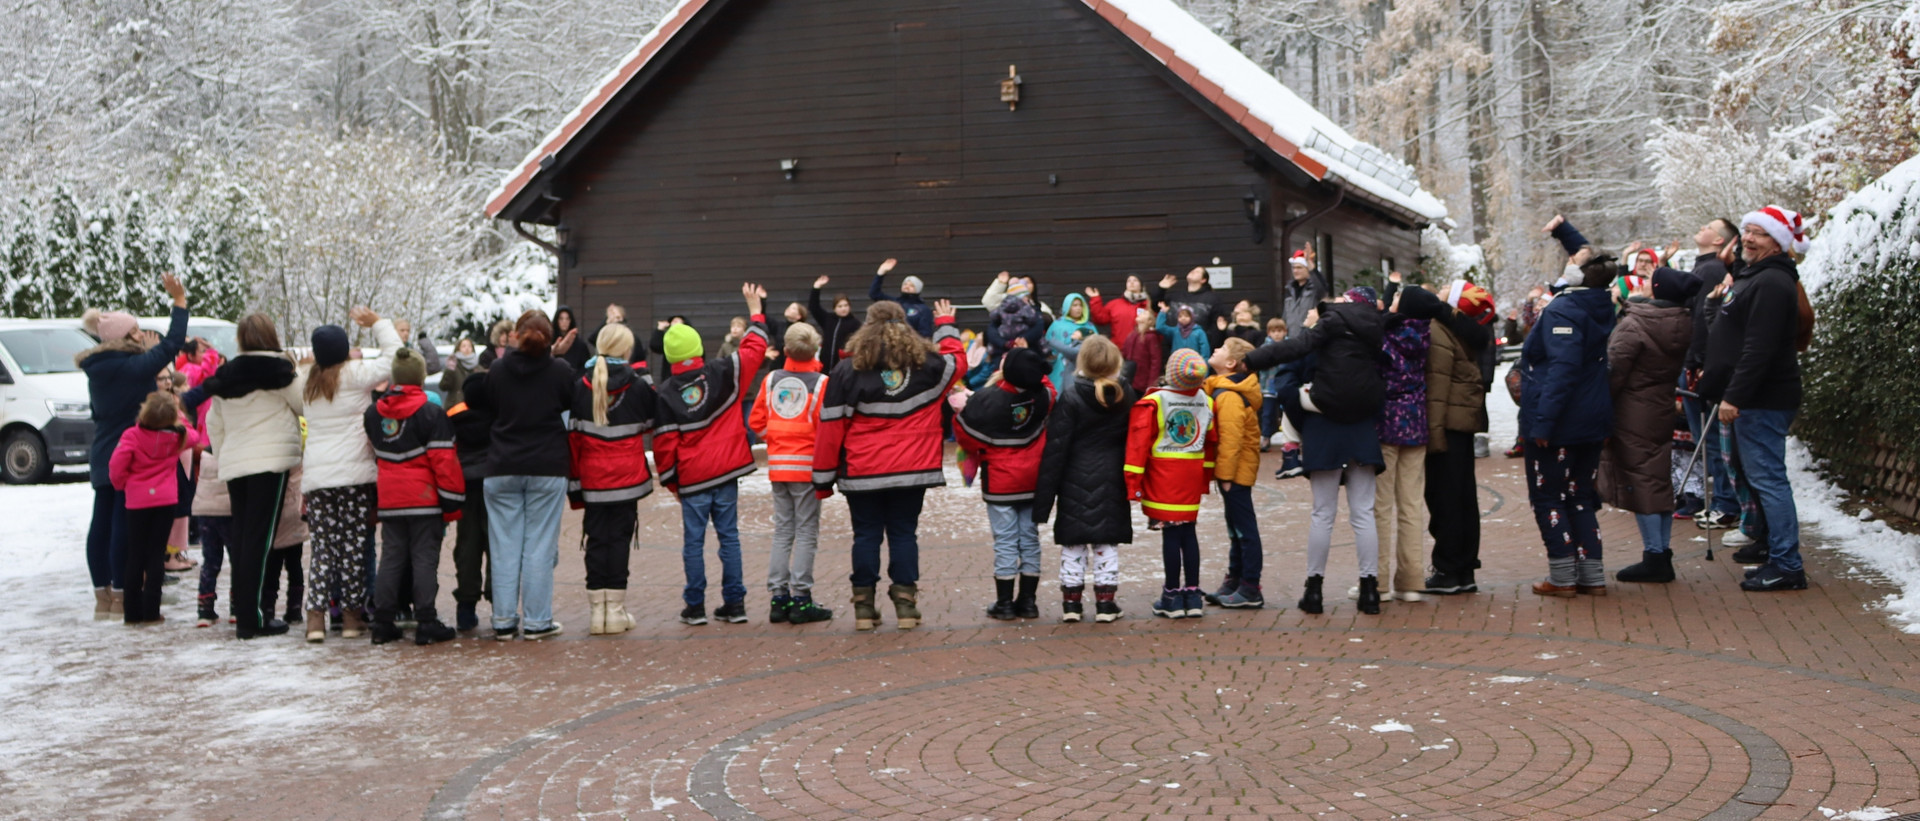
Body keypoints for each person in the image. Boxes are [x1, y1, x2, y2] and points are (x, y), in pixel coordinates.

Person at [813, 298, 964, 631]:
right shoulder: (927, 366)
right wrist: (947, 323)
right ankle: (906, 606)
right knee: (903, 534)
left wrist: (822, 479)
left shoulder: (846, 370)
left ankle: (864, 608)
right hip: (913, 470)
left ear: (867, 327)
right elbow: (957, 362)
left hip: (863, 470)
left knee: (865, 535)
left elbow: (830, 428)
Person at [1242, 289, 1388, 615]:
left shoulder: (1320, 338)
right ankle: (1370, 590)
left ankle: (1314, 590)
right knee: (1364, 513)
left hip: (1324, 427)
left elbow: (1289, 371)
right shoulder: (1370, 333)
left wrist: (1252, 362)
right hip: (1362, 426)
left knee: (1323, 513)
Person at [1700, 207, 1811, 592]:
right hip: (1752, 397)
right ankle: (1772, 549)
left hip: (1762, 399)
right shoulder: (1757, 277)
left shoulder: (1772, 283)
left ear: (1778, 241)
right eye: (1746, 231)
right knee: (1757, 476)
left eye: (1759, 234)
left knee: (1768, 478)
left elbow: (1759, 348)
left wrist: (1734, 395)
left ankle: (1787, 564)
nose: (1748, 238)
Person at [654, 285, 770, 626]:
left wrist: (671, 481)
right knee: (729, 538)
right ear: (698, 347)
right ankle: (735, 604)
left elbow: (664, 445)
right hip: (726, 471)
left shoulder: (665, 394)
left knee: (693, 542)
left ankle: (695, 606)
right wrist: (756, 311)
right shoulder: (723, 372)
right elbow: (755, 347)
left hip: (691, 478)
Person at [78, 272, 189, 619]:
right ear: (124, 337)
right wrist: (179, 303)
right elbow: (172, 345)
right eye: (136, 330)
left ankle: (103, 598)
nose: (141, 335)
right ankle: (125, 596)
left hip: (102, 451)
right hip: (130, 453)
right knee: (120, 527)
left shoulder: (97, 367)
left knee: (101, 524)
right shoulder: (130, 367)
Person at [468, 310, 577, 640]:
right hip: (547, 466)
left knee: (504, 547)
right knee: (538, 548)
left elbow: (484, 399)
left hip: (502, 465)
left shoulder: (499, 369)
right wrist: (555, 358)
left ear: (515, 335)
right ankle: (537, 621)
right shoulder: (559, 370)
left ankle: (503, 620)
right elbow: (571, 400)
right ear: (549, 340)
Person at [295, 308, 401, 642]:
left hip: (319, 478)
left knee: (323, 548)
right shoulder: (355, 374)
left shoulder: (306, 382)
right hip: (355, 475)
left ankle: (315, 619)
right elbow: (395, 357)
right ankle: (353, 618)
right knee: (355, 546)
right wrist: (378, 324)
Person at [1517, 251, 1619, 597]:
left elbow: (1562, 370)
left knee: (1548, 497)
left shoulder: (1564, 310)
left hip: (1563, 420)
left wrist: (1543, 423)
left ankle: (1563, 577)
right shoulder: (1602, 307)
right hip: (1592, 418)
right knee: (1580, 496)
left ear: (1576, 277)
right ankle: (1592, 575)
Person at [204, 313, 305, 639]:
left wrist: (225, 455)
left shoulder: (226, 375)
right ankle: (254, 618)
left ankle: (245, 612)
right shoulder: (280, 371)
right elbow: (303, 404)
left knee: (245, 540)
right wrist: (300, 368)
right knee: (260, 543)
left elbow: (213, 423)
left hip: (237, 463)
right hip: (270, 460)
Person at [360, 348, 464, 645]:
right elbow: (444, 460)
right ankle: (426, 621)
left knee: (391, 559)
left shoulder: (373, 413)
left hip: (390, 498)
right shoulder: (431, 413)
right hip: (424, 499)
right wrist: (452, 501)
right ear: (420, 378)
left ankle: (383, 622)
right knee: (424, 559)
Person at [1604, 271, 1700, 583]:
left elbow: (1614, 370)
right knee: (1658, 478)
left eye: (1648, 281)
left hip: (1632, 411)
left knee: (1641, 480)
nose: (1641, 283)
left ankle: (1655, 555)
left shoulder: (1638, 323)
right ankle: (1661, 551)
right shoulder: (1679, 320)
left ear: (1657, 290)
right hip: (1659, 407)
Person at [1398, 283, 1495, 595]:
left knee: (1445, 499)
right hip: (1460, 422)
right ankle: (1464, 567)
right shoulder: (1456, 327)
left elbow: (1437, 389)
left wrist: (1434, 435)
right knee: (1463, 496)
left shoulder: (1436, 332)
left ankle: (1448, 568)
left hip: (1446, 424)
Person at [1033, 336, 1137, 623]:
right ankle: (1105, 604)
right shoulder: (1127, 395)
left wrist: (1043, 504)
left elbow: (1055, 450)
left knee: (1073, 544)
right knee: (1106, 543)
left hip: (1073, 478)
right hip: (1112, 478)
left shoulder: (1071, 397)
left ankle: (1071, 603)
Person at [567, 324, 656, 635]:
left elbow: (574, 438)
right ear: (626, 350)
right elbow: (649, 424)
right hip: (627, 478)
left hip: (592, 479)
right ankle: (616, 612)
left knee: (595, 541)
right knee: (619, 541)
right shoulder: (639, 385)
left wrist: (575, 486)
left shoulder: (580, 386)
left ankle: (597, 613)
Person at [956, 348, 1055, 621]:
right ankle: (1029, 602)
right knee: (1030, 539)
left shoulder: (986, 399)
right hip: (1033, 478)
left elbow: (964, 433)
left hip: (1000, 480)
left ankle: (1004, 604)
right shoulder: (1043, 396)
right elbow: (1048, 384)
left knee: (1005, 541)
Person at [748, 323, 834, 626]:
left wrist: (773, 439)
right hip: (807, 466)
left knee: (783, 531)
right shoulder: (822, 382)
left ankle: (778, 597)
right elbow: (827, 426)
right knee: (807, 531)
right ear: (816, 349)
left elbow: (756, 420)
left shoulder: (772, 379)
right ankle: (801, 598)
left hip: (778, 464)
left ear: (785, 350)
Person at [1128, 349, 1217, 620]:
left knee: (1170, 534)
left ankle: (1171, 595)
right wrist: (1205, 479)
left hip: (1162, 476)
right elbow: (1212, 444)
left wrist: (1133, 482)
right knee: (1188, 533)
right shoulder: (1207, 402)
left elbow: (1138, 444)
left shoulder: (1155, 402)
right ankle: (1192, 594)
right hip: (1190, 475)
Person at [109, 391, 203, 624]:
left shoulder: (131, 435)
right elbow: (194, 435)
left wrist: (122, 485)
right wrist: (178, 418)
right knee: (156, 554)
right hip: (165, 500)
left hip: (137, 500)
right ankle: (152, 610)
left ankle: (131, 612)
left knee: (136, 555)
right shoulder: (177, 437)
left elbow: (117, 465)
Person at [1678, 218, 1742, 530]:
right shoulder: (1703, 267)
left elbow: (1704, 322)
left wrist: (1698, 363)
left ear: (1719, 240)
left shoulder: (1711, 270)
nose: (1700, 227)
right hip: (1696, 362)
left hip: (1700, 365)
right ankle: (1722, 501)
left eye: (1708, 226)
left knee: (1712, 438)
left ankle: (1725, 503)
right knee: (1708, 440)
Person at [1369, 286, 1431, 603]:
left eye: (1395, 298)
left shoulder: (1386, 336)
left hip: (1387, 424)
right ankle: (1411, 579)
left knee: (1381, 507)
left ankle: (1378, 582)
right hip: (1417, 423)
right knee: (1410, 505)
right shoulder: (1425, 335)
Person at [1202, 337, 1266, 608]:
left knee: (1243, 529)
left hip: (1236, 473)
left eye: (1221, 348)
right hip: (1234, 471)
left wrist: (1225, 476)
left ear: (1230, 363)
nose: (1215, 349)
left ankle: (1250, 586)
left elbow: (1231, 439)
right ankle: (1235, 579)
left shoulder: (1227, 395)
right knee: (1235, 527)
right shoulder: (1222, 389)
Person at [446, 370, 494, 632]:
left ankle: (466, 606)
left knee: (467, 547)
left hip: (464, 488)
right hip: (494, 488)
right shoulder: (498, 417)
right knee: (497, 546)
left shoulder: (453, 416)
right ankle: (500, 604)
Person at [260, 465, 308, 629]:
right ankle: (295, 609)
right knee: (295, 564)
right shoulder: (298, 461)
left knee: (272, 567)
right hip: (295, 517)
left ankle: (268, 608)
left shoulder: (275, 462)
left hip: (278, 519)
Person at [869, 257, 933, 337]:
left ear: (918, 289)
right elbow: (874, 294)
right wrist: (881, 273)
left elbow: (925, 333)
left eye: (911, 285)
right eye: (905, 284)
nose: (907, 286)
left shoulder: (923, 309)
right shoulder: (894, 303)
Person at [1043, 292, 1097, 388]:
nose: (1078, 308)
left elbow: (1098, 346)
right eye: (1074, 305)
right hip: (1060, 367)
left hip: (1085, 366)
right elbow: (1047, 346)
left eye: (1080, 305)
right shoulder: (1058, 325)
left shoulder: (1090, 326)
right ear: (1067, 306)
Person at [808, 278, 862, 372]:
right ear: (834, 308)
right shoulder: (828, 319)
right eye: (840, 306)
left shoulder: (855, 323)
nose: (843, 309)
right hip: (825, 364)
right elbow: (814, 307)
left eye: (846, 305)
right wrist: (816, 288)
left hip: (843, 366)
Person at [1148, 266, 1223, 330]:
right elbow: (1156, 307)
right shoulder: (1176, 296)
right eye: (1192, 270)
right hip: (1174, 343)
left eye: (1197, 272)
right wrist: (1161, 289)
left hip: (1199, 344)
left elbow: (1216, 324)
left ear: (1203, 280)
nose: (1193, 272)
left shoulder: (1212, 298)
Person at [987, 278, 1044, 360]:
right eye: (1024, 297)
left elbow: (1038, 327)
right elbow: (991, 329)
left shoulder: (1033, 308)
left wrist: (1015, 342)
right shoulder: (1029, 310)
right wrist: (1005, 343)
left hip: (1024, 348)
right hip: (1007, 351)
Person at [1086, 277, 1152, 346]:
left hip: (1142, 350)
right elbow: (1100, 319)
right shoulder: (1115, 304)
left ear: (1141, 285)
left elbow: (1156, 327)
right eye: (1129, 281)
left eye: (1135, 280)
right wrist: (1095, 300)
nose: (1131, 282)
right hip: (1118, 349)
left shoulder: (1148, 305)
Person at [1282, 249, 1329, 335]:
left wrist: (1312, 269)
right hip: (1292, 339)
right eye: (1294, 268)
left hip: (1310, 337)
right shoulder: (1289, 289)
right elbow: (1285, 316)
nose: (1295, 271)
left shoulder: (1315, 289)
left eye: (1299, 268)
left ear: (1308, 269)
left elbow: (1323, 289)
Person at [1120, 309, 1164, 394]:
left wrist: (1151, 384)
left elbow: (1155, 361)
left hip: (1142, 381)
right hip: (1129, 378)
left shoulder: (1151, 337)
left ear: (1149, 320)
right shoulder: (1133, 334)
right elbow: (1124, 353)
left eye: (1144, 313)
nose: (1140, 314)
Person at [439, 337, 479, 407]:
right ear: (458, 349)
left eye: (469, 346)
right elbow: (443, 386)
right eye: (463, 346)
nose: (467, 348)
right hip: (455, 407)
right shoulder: (454, 366)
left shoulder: (477, 367)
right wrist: (449, 371)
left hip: (473, 407)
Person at [552, 306, 588, 372]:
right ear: (557, 321)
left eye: (567, 319)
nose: (564, 322)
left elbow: (584, 367)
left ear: (571, 321)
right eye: (561, 319)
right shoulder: (551, 342)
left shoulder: (580, 345)